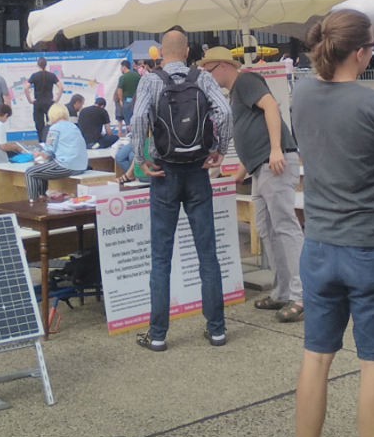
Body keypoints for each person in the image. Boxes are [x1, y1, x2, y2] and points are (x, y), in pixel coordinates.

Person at [292, 9, 374, 437]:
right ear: (361, 53)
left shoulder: (301, 95)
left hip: (320, 244)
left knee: (316, 359)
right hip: (370, 244)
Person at [131, 26, 232, 352]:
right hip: (198, 172)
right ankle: (216, 330)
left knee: (161, 257)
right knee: (207, 253)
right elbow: (225, 111)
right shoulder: (201, 77)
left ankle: (158, 335)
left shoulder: (150, 80)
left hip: (163, 173)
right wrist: (219, 148)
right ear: (188, 52)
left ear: (160, 52)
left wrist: (140, 158)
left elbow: (137, 121)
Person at [199, 46, 304, 322]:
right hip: (261, 167)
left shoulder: (245, 80)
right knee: (269, 229)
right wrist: (240, 173)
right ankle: (283, 290)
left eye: (208, 71)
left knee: (284, 227)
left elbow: (271, 106)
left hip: (273, 164)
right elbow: (254, 130)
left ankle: (301, 293)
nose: (208, 77)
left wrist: (276, 148)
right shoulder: (238, 91)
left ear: (222, 66)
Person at [24, 102, 88, 199]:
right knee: (40, 172)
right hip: (81, 166)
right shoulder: (74, 126)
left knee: (30, 172)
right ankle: (42, 198)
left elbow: (48, 151)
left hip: (67, 165)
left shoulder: (55, 128)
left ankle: (32, 202)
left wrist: (38, 153)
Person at [26, 56, 60, 142]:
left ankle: (41, 142)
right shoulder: (52, 75)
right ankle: (50, 142)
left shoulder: (34, 76)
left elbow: (26, 88)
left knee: (39, 125)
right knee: (51, 124)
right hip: (49, 102)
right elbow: (61, 87)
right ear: (46, 64)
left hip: (38, 102)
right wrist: (56, 99)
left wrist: (30, 100)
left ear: (38, 65)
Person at [115, 59, 140, 135]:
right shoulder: (137, 75)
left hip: (126, 101)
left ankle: (129, 134)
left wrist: (120, 100)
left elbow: (119, 90)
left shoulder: (123, 77)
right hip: (136, 101)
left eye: (121, 67)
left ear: (124, 67)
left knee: (128, 121)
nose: (120, 69)